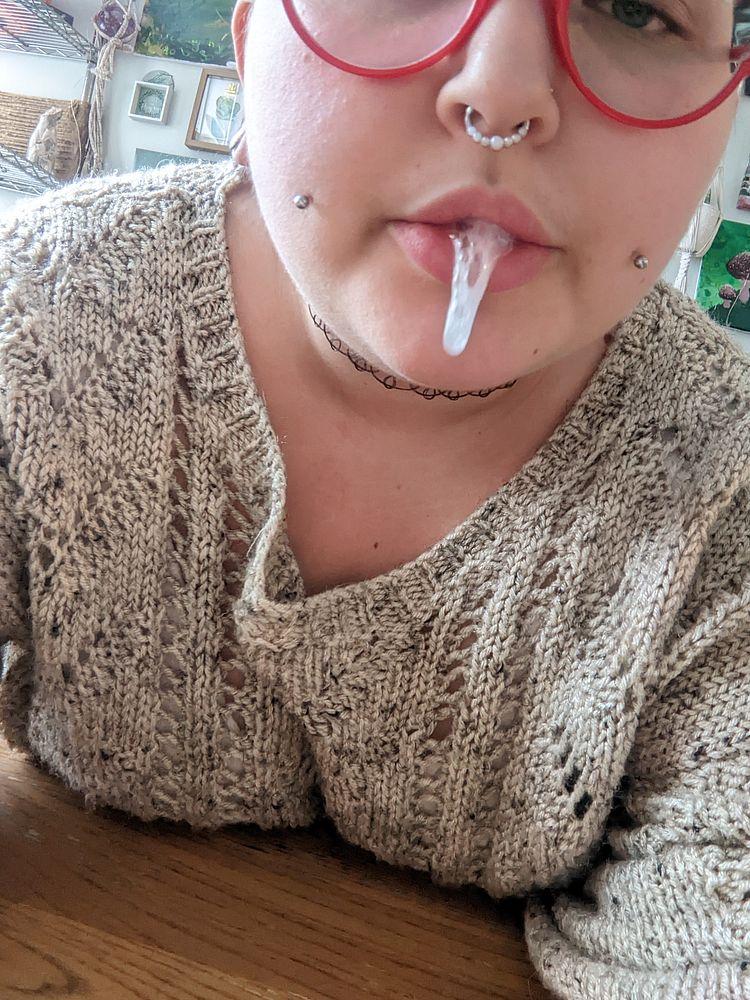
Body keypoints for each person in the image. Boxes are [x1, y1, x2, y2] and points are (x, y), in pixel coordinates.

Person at [1, 1, 749, 996]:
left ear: (722, 111)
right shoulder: (43, 318)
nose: (501, 97)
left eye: (635, 7)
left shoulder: (726, 490)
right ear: (249, 42)